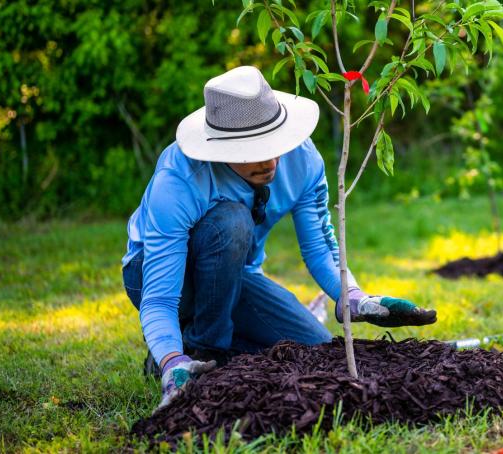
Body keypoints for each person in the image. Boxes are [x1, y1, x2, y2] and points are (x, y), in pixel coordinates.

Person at [121, 66, 436, 410]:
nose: (271, 160)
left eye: (275, 144)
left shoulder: (302, 160)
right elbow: (160, 297)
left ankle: (197, 346)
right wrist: (171, 361)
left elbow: (320, 247)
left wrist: (354, 298)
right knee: (232, 221)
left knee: (313, 346)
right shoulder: (180, 179)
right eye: (252, 149)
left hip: (235, 277)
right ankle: (195, 352)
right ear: (221, 148)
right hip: (158, 277)